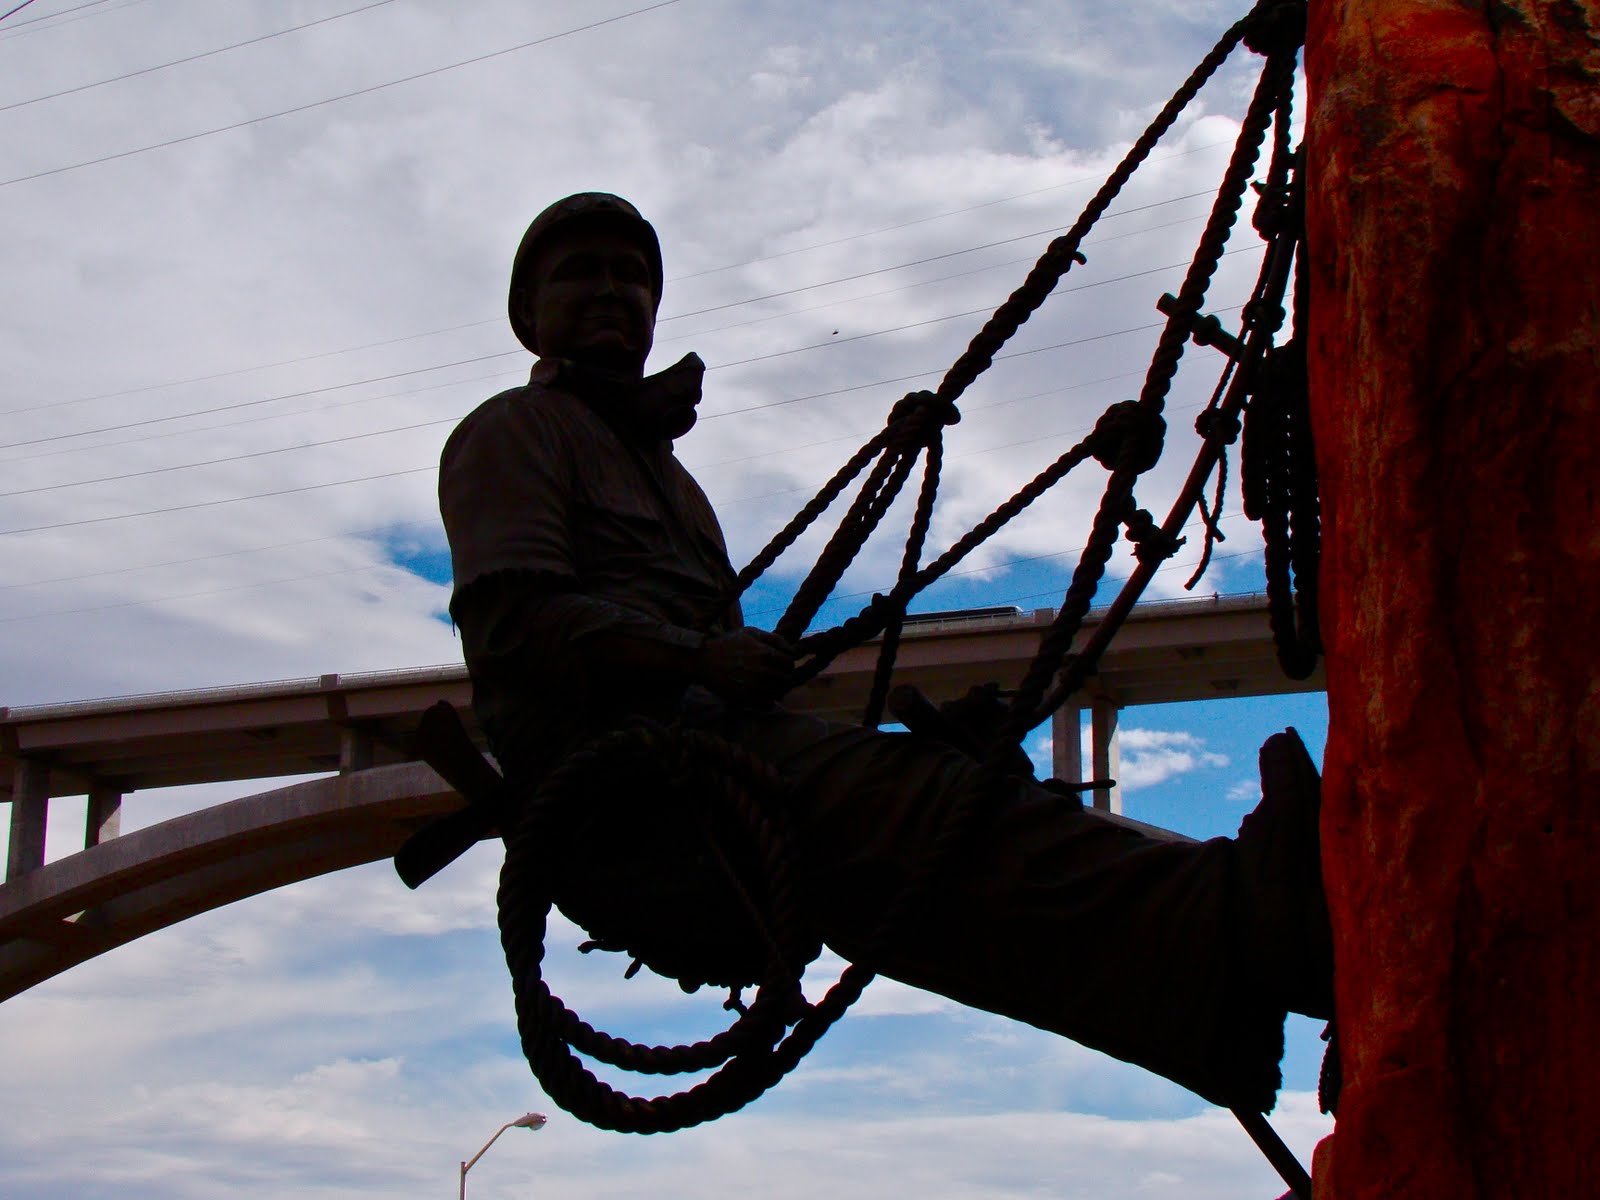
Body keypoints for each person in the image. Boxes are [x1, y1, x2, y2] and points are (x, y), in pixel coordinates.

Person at [437, 192, 1333, 1113]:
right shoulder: (510, 432)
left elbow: (725, 692)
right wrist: (697, 662)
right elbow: (515, 627)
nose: (612, 289)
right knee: (911, 808)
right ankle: (1248, 925)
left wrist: (733, 683)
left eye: (632, 274)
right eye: (580, 271)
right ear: (526, 314)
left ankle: (1214, 996)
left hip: (702, 772)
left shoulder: (677, 485)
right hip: (619, 797)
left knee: (951, 802)